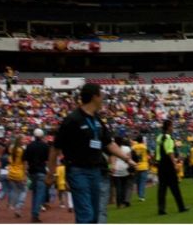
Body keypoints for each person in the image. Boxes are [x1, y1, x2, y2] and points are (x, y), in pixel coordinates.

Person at [45, 84, 136, 224]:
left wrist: (126, 158)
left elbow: (109, 143)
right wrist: (51, 174)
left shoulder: (97, 120)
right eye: (101, 95)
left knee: (94, 216)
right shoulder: (72, 120)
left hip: (95, 171)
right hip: (77, 171)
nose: (103, 98)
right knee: (85, 214)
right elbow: (55, 148)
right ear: (94, 97)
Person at [156, 119, 190, 215]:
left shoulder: (159, 137)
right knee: (174, 187)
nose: (173, 128)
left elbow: (160, 150)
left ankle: (161, 209)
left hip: (160, 164)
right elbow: (169, 152)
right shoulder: (168, 138)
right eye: (172, 126)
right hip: (168, 165)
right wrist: (174, 164)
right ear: (169, 127)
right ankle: (181, 207)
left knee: (162, 188)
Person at [24, 128, 50, 223]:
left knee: (35, 193)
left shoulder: (29, 146)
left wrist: (26, 171)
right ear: (42, 136)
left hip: (32, 172)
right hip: (41, 171)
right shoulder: (45, 146)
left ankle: (34, 213)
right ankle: (35, 213)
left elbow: (25, 159)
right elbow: (47, 160)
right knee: (40, 193)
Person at [131, 135, 150, 202]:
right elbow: (148, 154)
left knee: (138, 182)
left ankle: (139, 194)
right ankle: (141, 196)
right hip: (144, 165)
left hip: (136, 165)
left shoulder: (133, 147)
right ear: (142, 140)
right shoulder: (144, 147)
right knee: (142, 182)